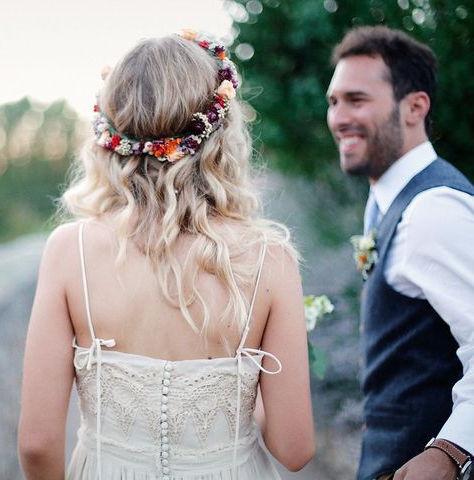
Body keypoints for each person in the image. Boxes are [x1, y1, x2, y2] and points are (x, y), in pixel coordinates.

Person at [17, 30, 314, 479]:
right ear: (222, 131)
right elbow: (294, 448)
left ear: (110, 132)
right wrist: (240, 396)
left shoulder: (69, 251)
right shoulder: (269, 258)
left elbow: (37, 443)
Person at [326, 26, 474, 480]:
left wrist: (451, 450)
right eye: (333, 102)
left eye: (357, 99)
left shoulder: (434, 209)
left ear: (415, 106)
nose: (338, 117)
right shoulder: (387, 204)